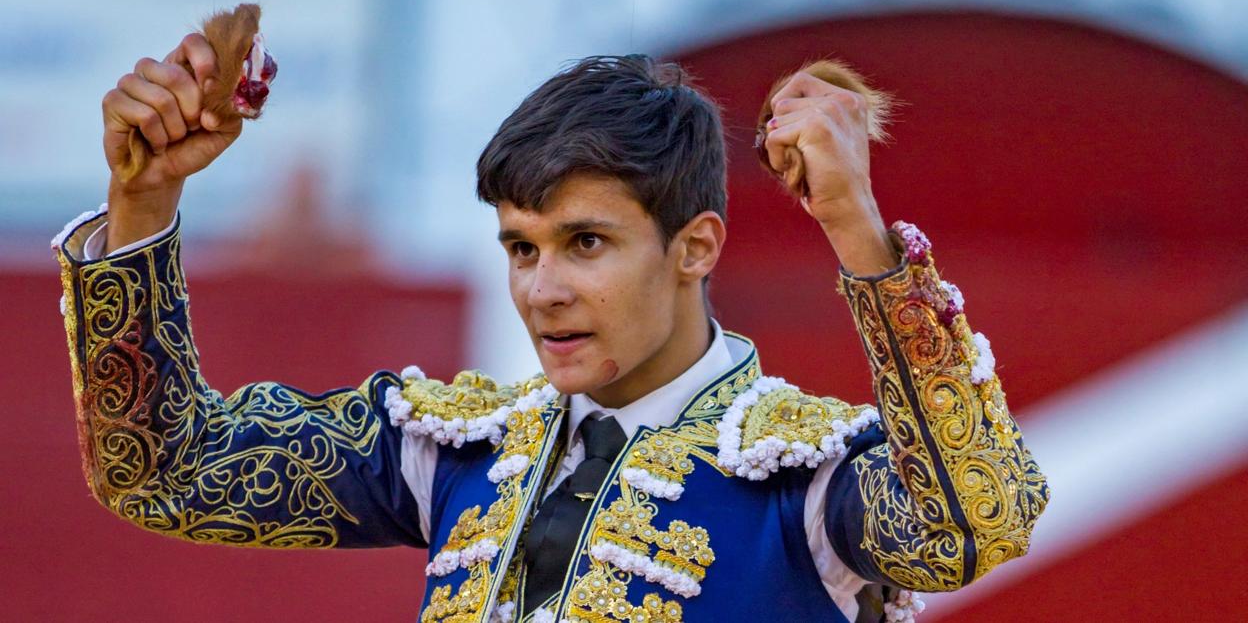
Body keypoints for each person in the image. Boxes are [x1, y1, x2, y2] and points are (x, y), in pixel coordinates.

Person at [52, 32, 1048, 623]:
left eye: (585, 242)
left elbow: (980, 516)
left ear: (695, 247)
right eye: (521, 247)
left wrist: (859, 235)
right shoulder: (456, 450)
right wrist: (142, 206)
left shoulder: (800, 475)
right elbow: (167, 469)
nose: (543, 289)